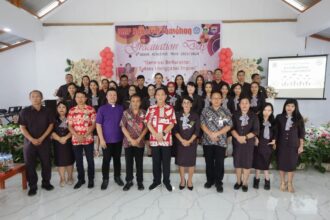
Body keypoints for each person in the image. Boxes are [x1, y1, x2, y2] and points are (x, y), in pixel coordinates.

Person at [19, 90, 55, 196]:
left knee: (46, 163)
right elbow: (22, 127)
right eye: (33, 96)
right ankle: (33, 186)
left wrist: (42, 138)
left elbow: (51, 125)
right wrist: (32, 139)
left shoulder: (48, 111)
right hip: (29, 143)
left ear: (41, 98)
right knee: (30, 165)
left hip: (44, 142)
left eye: (37, 96)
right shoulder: (24, 112)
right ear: (30, 99)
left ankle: (46, 183)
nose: (35, 98)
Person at [145, 88, 176, 191]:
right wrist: (155, 134)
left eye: (162, 94)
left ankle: (166, 181)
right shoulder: (151, 108)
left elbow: (172, 123)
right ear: (155, 96)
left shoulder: (170, 108)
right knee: (156, 161)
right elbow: (148, 123)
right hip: (154, 139)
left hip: (166, 139)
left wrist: (162, 133)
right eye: (158, 94)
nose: (160, 96)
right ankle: (156, 181)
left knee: (166, 162)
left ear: (166, 96)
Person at [200, 91, 232, 193]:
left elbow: (229, 125)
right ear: (210, 99)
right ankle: (210, 180)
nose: (216, 100)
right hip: (207, 141)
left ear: (222, 99)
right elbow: (202, 124)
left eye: (218, 98)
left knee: (219, 163)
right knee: (208, 162)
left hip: (221, 141)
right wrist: (210, 134)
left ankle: (218, 182)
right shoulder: (205, 110)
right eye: (214, 98)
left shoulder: (226, 111)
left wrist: (217, 134)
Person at [96, 88, 125, 190]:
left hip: (118, 139)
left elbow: (124, 124)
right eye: (110, 95)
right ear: (107, 97)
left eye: (114, 95)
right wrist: (101, 140)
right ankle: (105, 179)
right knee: (106, 160)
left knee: (117, 159)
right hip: (106, 140)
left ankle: (117, 177)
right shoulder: (102, 109)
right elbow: (98, 125)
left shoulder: (121, 108)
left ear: (117, 97)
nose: (113, 97)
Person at [67, 91, 96, 189]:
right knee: (78, 161)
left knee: (90, 160)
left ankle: (91, 179)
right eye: (78, 97)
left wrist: (85, 135)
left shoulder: (91, 110)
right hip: (76, 140)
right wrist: (77, 136)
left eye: (82, 97)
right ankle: (81, 179)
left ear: (86, 98)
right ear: (75, 99)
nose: (80, 99)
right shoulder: (71, 110)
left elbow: (93, 124)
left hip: (88, 139)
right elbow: (69, 125)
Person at [275, 99, 305, 193]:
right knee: (281, 164)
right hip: (281, 145)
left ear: (295, 108)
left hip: (293, 145)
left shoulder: (299, 118)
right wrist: (274, 142)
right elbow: (276, 131)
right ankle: (283, 182)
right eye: (288, 106)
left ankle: (290, 183)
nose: (289, 108)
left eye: (292, 106)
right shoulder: (279, 117)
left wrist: (301, 146)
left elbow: (301, 134)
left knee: (291, 165)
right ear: (285, 106)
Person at [231, 97, 259, 192]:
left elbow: (256, 130)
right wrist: (238, 137)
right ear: (239, 105)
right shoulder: (235, 115)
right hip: (237, 142)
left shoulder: (254, 116)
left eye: (246, 103)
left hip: (248, 143)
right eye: (242, 103)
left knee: (247, 163)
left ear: (249, 104)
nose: (244, 105)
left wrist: (245, 137)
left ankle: (245, 182)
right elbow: (231, 128)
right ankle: (238, 181)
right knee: (238, 163)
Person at [120, 95, 148, 191]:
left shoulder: (144, 113)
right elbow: (123, 127)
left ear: (140, 102)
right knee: (129, 163)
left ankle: (139, 182)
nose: (135, 103)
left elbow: (146, 128)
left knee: (139, 163)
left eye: (137, 101)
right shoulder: (126, 113)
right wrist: (131, 140)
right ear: (130, 102)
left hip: (140, 143)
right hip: (128, 142)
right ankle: (129, 181)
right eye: (133, 101)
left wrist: (139, 139)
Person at [174, 96, 200, 191]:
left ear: (191, 104)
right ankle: (182, 180)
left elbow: (197, 131)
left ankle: (189, 180)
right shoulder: (177, 115)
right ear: (181, 104)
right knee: (181, 162)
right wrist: (182, 140)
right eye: (184, 102)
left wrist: (189, 141)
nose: (186, 104)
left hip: (191, 143)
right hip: (180, 142)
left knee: (191, 163)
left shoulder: (195, 116)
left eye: (188, 102)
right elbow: (175, 130)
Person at [253, 103, 276, 190]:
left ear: (272, 111)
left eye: (269, 110)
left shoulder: (273, 121)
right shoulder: (257, 119)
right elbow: (253, 130)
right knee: (258, 162)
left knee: (266, 162)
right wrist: (255, 137)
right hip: (259, 144)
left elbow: (276, 132)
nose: (267, 112)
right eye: (265, 110)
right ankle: (257, 178)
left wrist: (274, 140)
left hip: (268, 144)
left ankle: (267, 179)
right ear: (262, 110)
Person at [51, 102, 74, 187]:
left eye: (63, 107)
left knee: (69, 161)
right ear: (57, 109)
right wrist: (59, 139)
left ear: (67, 109)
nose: (61, 109)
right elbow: (51, 131)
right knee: (60, 162)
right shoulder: (53, 119)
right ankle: (62, 178)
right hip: (57, 143)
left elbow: (73, 130)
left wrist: (65, 138)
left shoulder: (70, 118)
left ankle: (70, 177)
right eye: (59, 107)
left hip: (69, 142)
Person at [141, 84, 156, 157]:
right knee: (147, 135)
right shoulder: (144, 99)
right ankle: (149, 151)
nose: (151, 91)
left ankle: (155, 150)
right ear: (147, 91)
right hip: (147, 120)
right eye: (149, 89)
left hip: (157, 121)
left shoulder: (158, 98)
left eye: (152, 89)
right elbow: (142, 110)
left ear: (155, 90)